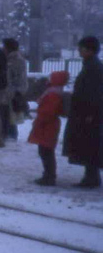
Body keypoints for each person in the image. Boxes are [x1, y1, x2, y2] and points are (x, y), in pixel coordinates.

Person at [61, 35, 103, 188]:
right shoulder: (91, 65)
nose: (79, 50)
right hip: (86, 113)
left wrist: (90, 113)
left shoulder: (93, 68)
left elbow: (94, 93)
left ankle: (91, 177)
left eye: (82, 48)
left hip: (88, 114)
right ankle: (91, 175)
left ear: (89, 50)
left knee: (89, 145)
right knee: (88, 144)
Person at [27, 70, 69, 186]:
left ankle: (49, 176)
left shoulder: (52, 94)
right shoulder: (56, 93)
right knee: (46, 150)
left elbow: (48, 111)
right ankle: (49, 174)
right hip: (49, 125)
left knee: (45, 151)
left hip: (46, 125)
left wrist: (41, 118)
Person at [3, 38, 28, 140]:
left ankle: (11, 134)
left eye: (4, 46)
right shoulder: (13, 59)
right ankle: (10, 134)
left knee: (11, 113)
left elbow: (17, 77)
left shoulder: (15, 61)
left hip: (12, 91)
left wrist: (14, 90)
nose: (2, 48)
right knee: (9, 113)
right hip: (11, 91)